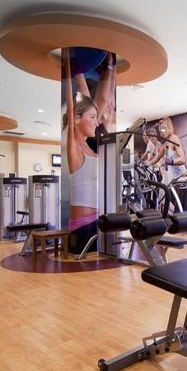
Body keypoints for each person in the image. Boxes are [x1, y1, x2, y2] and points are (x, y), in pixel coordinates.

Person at [63, 50, 116, 253]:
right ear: (77, 119)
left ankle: (108, 67)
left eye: (96, 117)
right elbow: (75, 103)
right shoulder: (75, 147)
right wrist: (70, 68)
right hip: (83, 225)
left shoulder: (91, 147)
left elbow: (95, 103)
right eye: (92, 118)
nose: (97, 121)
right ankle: (106, 68)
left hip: (99, 220)